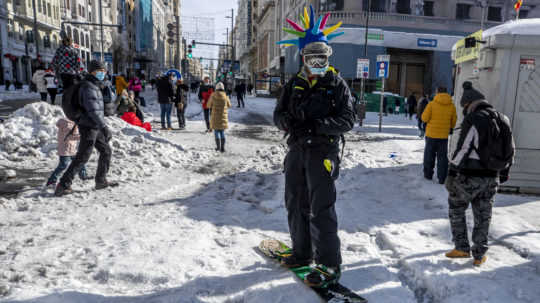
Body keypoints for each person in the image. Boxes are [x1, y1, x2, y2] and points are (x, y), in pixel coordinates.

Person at [273, 7, 354, 288]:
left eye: (321, 57)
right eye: (311, 58)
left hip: (323, 153)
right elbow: (278, 113)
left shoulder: (336, 84)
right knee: (295, 202)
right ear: (304, 58)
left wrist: (318, 126)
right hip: (296, 151)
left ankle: (329, 263)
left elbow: (347, 120)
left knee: (320, 208)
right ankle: (301, 253)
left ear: (327, 57)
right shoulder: (294, 83)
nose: (316, 62)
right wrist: (285, 122)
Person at [445, 81, 514, 266]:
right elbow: (511, 149)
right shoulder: (503, 118)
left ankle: (461, 248)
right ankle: (479, 255)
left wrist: (451, 172)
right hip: (492, 177)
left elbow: (464, 148)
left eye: (464, 107)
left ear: (469, 104)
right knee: (483, 215)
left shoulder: (474, 119)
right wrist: (504, 172)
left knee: (456, 207)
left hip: (470, 175)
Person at [55, 60, 118, 196]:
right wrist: (104, 127)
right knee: (83, 156)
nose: (103, 73)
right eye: (100, 71)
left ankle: (101, 180)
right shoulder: (89, 87)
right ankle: (63, 184)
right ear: (93, 72)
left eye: (104, 71)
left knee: (106, 150)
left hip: (93, 125)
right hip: (89, 126)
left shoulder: (94, 85)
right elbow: (93, 110)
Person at [421, 87, 457, 184]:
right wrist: (449, 127)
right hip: (443, 136)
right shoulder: (452, 106)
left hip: (431, 135)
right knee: (442, 157)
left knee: (429, 155)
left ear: (437, 92)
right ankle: (442, 177)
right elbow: (454, 121)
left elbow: (424, 118)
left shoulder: (431, 104)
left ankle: (428, 174)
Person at [46, 117, 91, 187]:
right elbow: (69, 137)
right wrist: (83, 136)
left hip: (72, 148)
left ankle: (83, 175)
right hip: (65, 149)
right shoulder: (66, 123)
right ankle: (51, 181)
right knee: (63, 165)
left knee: (80, 161)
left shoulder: (74, 123)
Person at [208, 82, 231, 152]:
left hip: (215, 116)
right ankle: (223, 148)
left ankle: (218, 147)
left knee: (216, 131)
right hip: (223, 116)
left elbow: (208, 105)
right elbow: (229, 105)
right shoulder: (225, 95)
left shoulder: (213, 95)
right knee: (222, 132)